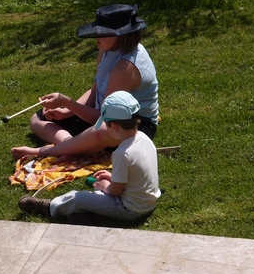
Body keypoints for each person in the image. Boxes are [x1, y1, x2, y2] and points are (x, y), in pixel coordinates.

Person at [11, 3, 159, 160]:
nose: (96, 36)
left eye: (103, 33)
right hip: (102, 114)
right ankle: (72, 145)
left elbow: (105, 116)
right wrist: (67, 111)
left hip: (133, 123)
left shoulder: (125, 66)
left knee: (103, 132)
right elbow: (95, 90)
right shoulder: (105, 51)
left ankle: (47, 151)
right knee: (39, 119)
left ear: (120, 35)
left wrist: (67, 103)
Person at [18, 91, 161, 220]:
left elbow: (115, 190)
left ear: (115, 127)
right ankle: (85, 215)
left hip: (130, 208)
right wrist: (113, 178)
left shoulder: (122, 153)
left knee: (79, 198)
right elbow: (136, 176)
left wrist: (106, 186)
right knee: (96, 196)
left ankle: (49, 207)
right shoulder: (144, 138)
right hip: (148, 202)